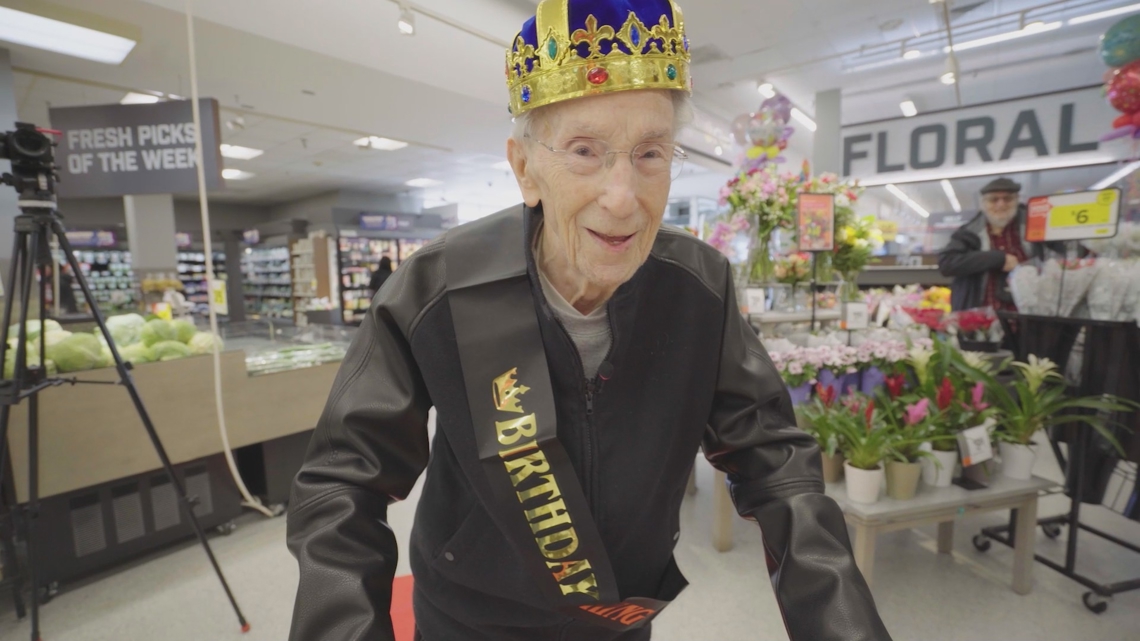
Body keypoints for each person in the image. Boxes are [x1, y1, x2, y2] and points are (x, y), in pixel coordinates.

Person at [286, 2, 890, 640]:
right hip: (468, 616)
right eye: (585, 151)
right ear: (525, 168)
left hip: (618, 614)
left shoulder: (699, 287)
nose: (623, 197)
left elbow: (777, 464)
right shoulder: (438, 288)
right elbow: (340, 484)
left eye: (651, 153)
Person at [938, 177, 1048, 311]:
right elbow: (947, 264)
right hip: (981, 322)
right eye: (993, 199)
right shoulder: (969, 232)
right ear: (983, 203)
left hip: (1032, 319)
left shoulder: (1037, 226)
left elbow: (1062, 259)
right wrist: (997, 259)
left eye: (1007, 199)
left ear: (1017, 200)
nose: (1001, 204)